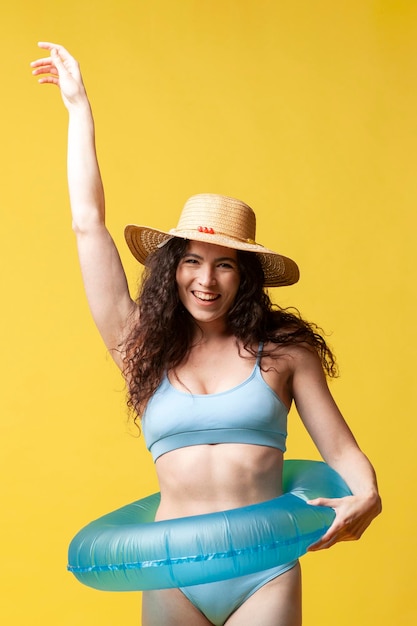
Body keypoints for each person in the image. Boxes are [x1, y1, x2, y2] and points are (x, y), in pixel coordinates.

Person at [31, 43, 381, 626]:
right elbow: (88, 225)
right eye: (192, 261)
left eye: (225, 264)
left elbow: (341, 451)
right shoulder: (140, 346)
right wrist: (78, 109)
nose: (205, 279)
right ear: (173, 268)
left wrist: (367, 493)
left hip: (265, 567)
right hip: (172, 571)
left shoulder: (284, 353)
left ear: (244, 276)